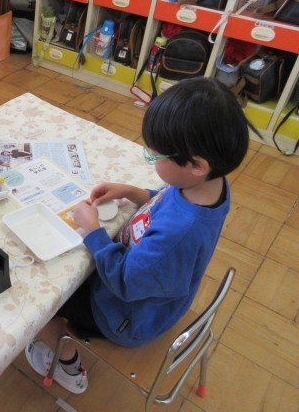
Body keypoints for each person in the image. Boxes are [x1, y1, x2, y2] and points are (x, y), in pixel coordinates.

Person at [25, 77, 254, 394]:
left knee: (34, 303)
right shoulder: (206, 187)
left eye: (155, 156)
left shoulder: (177, 235)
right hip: (151, 298)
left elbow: (123, 281)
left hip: (122, 315)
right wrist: (133, 192)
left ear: (197, 165)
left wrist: (93, 231)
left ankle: (68, 365)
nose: (151, 157)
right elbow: (167, 202)